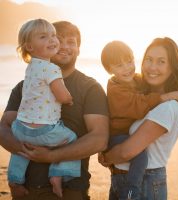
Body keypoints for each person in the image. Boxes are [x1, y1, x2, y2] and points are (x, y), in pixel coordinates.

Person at [0, 21, 109, 200]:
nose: (64, 46)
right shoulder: (25, 86)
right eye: (58, 39)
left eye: (71, 42)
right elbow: (4, 126)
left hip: (68, 191)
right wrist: (25, 150)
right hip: (27, 190)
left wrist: (50, 156)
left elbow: (99, 139)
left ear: (79, 49)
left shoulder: (90, 88)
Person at [99, 37, 178, 200]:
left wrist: (106, 157)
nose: (152, 67)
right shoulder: (137, 91)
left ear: (172, 67)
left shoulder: (168, 107)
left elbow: (128, 152)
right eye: (149, 59)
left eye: (161, 61)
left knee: (141, 156)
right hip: (122, 179)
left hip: (145, 184)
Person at [7, 18, 80, 198]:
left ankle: (15, 179)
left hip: (20, 128)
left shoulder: (30, 68)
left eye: (53, 35)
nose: (53, 40)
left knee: (21, 151)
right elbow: (62, 95)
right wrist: (69, 99)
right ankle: (57, 174)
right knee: (71, 138)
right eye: (43, 37)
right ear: (29, 47)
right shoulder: (52, 69)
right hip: (44, 130)